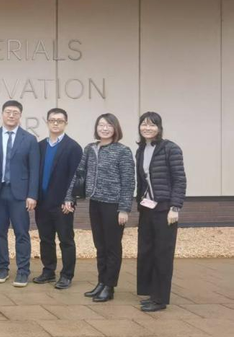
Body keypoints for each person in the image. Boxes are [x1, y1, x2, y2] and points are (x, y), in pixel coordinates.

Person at [65, 113, 135, 303]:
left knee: (112, 246)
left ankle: (109, 287)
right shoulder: (90, 148)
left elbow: (128, 182)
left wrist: (124, 208)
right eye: (101, 125)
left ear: (115, 128)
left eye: (108, 125)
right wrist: (69, 197)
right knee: (100, 246)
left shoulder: (123, 151)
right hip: (95, 203)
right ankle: (101, 282)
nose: (104, 128)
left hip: (113, 205)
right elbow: (78, 174)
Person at [0, 100, 40, 287]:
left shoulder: (29, 139)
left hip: (20, 194)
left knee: (21, 233)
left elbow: (34, 170)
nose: (11, 115)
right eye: (8, 112)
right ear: (2, 114)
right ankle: (2, 268)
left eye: (15, 112)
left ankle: (23, 271)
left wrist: (32, 195)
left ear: (20, 115)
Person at [135, 112, 186, 312]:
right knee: (146, 251)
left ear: (159, 128)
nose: (147, 128)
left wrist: (175, 207)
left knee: (162, 254)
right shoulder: (141, 150)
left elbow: (179, 179)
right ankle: (151, 293)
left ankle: (160, 299)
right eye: (144, 124)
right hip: (147, 208)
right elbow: (142, 180)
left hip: (165, 209)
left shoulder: (171, 149)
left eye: (152, 125)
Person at [33, 108, 83, 289]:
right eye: (52, 120)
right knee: (45, 239)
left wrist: (70, 199)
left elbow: (76, 176)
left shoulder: (73, 147)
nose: (55, 123)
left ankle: (67, 275)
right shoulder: (40, 146)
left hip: (63, 203)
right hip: (42, 202)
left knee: (66, 240)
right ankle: (48, 271)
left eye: (59, 121)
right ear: (47, 122)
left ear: (65, 123)